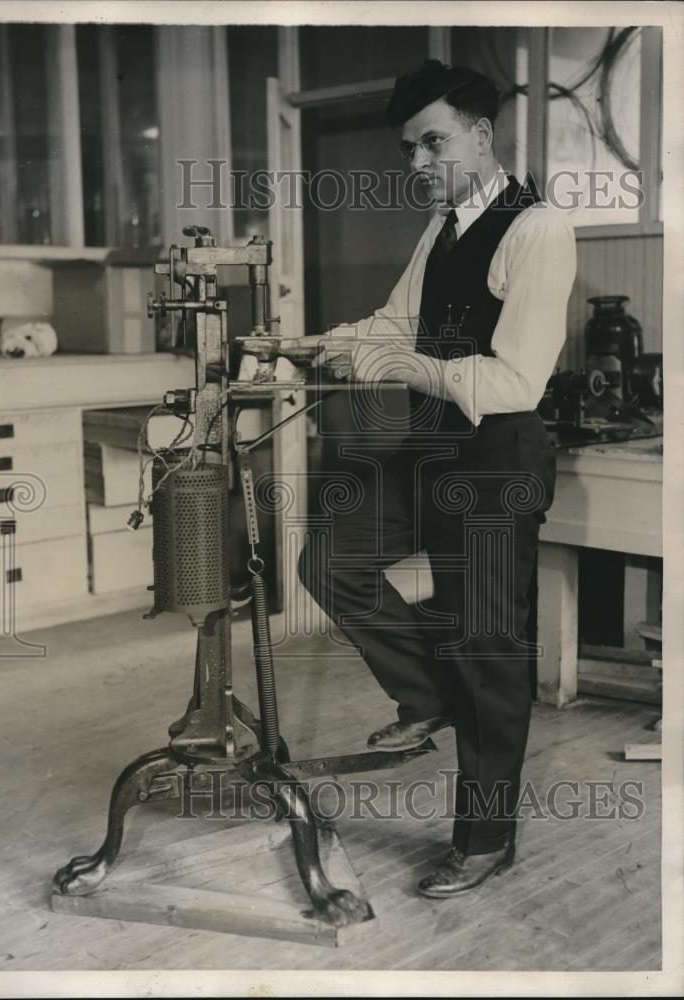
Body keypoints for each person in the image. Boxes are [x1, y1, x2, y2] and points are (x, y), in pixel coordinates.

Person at [297, 59, 576, 898]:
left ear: (481, 136)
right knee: (331, 564)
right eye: (410, 149)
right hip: (431, 451)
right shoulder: (442, 227)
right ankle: (429, 698)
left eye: (432, 143)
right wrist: (316, 344)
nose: (417, 164)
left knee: (487, 651)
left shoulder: (538, 229)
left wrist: (398, 362)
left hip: (496, 464)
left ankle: (486, 839)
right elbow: (392, 321)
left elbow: (514, 382)